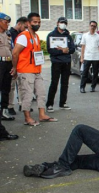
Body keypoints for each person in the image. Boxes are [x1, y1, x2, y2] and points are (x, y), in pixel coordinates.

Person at [11, 12, 58, 126]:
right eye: (35, 22)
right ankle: (28, 118)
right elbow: (15, 53)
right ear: (28, 23)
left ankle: (42, 115)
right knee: (27, 94)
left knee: (41, 93)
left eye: (39, 22)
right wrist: (15, 68)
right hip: (25, 70)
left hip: (36, 70)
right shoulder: (24, 36)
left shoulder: (36, 36)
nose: (38, 24)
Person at [45, 17, 75, 113]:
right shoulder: (51, 35)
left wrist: (67, 50)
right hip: (56, 62)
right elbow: (50, 50)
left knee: (65, 83)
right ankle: (49, 104)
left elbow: (72, 49)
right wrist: (62, 50)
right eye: (62, 22)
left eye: (65, 23)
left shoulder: (68, 36)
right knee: (54, 83)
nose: (63, 24)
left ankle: (63, 103)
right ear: (57, 23)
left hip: (66, 62)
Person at [0, 12, 18, 141]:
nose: (7, 25)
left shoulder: (7, 34)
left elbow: (11, 50)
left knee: (6, 88)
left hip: (7, 62)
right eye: (5, 22)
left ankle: (4, 109)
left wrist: (13, 65)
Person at [7, 16, 27, 116]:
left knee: (22, 85)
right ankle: (10, 106)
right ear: (19, 24)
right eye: (24, 26)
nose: (25, 29)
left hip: (22, 64)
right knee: (11, 86)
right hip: (12, 63)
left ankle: (22, 104)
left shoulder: (23, 34)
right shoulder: (9, 33)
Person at [80, 21, 99, 93]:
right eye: (91, 25)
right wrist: (82, 57)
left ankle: (93, 87)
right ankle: (82, 87)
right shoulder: (85, 35)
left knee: (95, 73)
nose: (92, 27)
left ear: (96, 27)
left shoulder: (98, 36)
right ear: (89, 26)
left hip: (96, 57)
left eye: (94, 26)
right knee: (85, 73)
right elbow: (83, 47)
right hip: (87, 57)